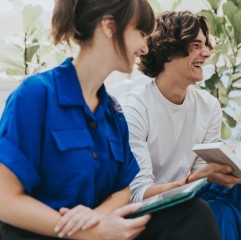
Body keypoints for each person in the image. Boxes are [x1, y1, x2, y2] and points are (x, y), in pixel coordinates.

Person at [0, 1, 221, 239]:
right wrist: (90, 232)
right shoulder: (37, 95)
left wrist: (100, 217)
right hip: (47, 233)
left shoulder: (112, 113)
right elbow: (5, 199)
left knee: (193, 214)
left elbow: (122, 192)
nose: (145, 48)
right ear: (109, 27)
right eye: (141, 33)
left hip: (103, 231)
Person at [120, 10, 241, 240]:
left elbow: (202, 176)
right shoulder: (135, 109)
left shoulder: (208, 106)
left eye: (206, 45)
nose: (207, 53)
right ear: (168, 50)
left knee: (233, 191)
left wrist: (218, 171)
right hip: (153, 210)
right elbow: (140, 195)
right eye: (196, 45)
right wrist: (193, 180)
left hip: (189, 198)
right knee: (222, 210)